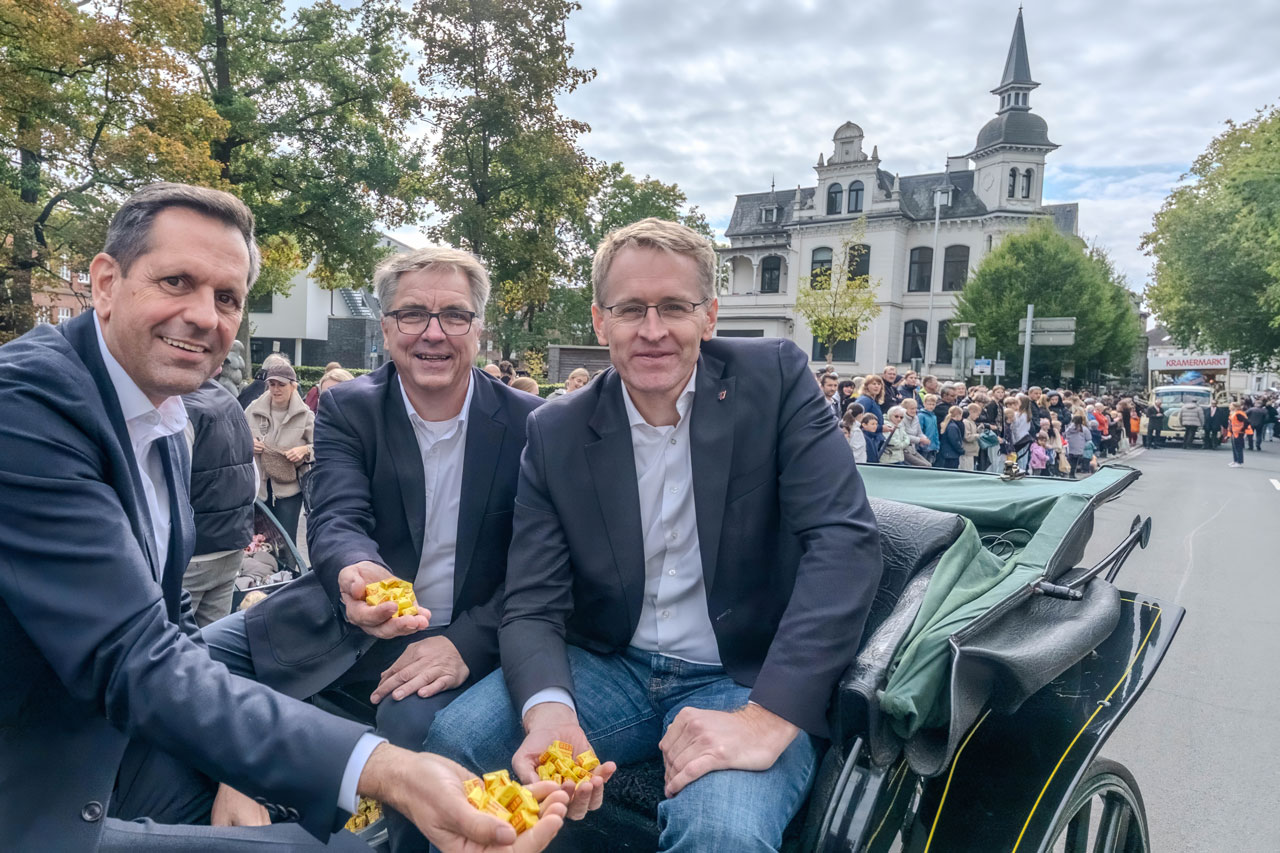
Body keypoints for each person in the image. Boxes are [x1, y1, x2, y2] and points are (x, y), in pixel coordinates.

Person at [0, 183, 568, 851]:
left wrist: (243, 761)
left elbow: (168, 624)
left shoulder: (156, 412)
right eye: (175, 280)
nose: (203, 316)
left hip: (97, 721)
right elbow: (138, 655)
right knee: (316, 840)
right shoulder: (29, 403)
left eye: (227, 298)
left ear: (479, 327)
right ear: (103, 282)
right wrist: (385, 771)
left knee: (332, 815)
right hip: (40, 769)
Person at [424, 218, 884, 852]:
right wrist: (550, 708)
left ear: (710, 315)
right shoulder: (557, 431)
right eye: (630, 309)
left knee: (723, 836)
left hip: (743, 675)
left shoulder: (774, 380)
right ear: (598, 320)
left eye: (674, 307)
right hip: (612, 664)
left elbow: (844, 541)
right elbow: (532, 597)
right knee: (457, 743)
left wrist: (768, 717)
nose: (653, 330)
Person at [202, 246, 547, 853]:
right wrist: (353, 573)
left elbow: (537, 571)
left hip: (464, 634)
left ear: (479, 328)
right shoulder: (348, 404)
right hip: (348, 615)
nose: (433, 333)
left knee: (412, 723)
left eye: (454, 316)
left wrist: (467, 641)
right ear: (385, 328)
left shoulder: (533, 423)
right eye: (412, 314)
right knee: (193, 656)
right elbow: (337, 515)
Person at [180, 378, 256, 627]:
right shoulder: (231, 402)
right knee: (211, 640)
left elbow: (169, 491)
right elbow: (253, 482)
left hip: (193, 553)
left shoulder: (180, 408)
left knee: (177, 645)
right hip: (231, 544)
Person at [245, 362, 314, 544]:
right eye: (272, 384)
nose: (276, 389)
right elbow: (234, 440)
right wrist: (248, 445)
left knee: (285, 542)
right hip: (258, 487)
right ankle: (263, 572)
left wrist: (305, 450)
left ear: (293, 386)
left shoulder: (306, 415)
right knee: (258, 540)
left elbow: (323, 446)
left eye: (281, 385)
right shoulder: (252, 409)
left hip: (289, 490)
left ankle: (288, 573)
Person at [961, 402, 982, 471]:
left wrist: (978, 430)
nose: (978, 416)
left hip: (972, 452)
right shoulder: (966, 422)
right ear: (972, 412)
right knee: (967, 470)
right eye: (977, 414)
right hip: (967, 452)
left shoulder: (972, 422)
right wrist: (979, 436)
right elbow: (967, 437)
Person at [1228, 401, 1250, 467]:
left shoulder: (1239, 414)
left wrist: (1242, 429)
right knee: (1234, 447)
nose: (1229, 406)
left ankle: (1239, 462)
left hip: (1238, 432)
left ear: (1235, 407)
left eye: (1230, 405)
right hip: (1234, 432)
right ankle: (1235, 460)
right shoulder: (1234, 413)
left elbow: (1246, 421)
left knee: (1238, 447)